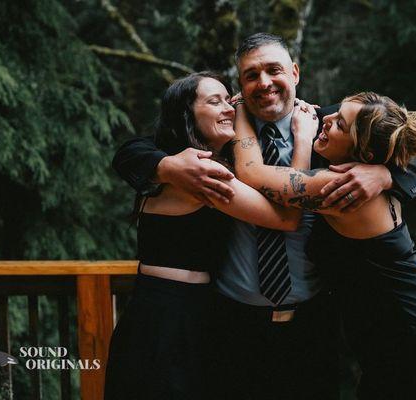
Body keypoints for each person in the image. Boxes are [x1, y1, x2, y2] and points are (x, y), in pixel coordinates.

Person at [112, 33, 416, 400]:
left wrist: (387, 174)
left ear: (295, 73)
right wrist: (166, 165)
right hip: (231, 323)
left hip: (313, 320)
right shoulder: (221, 138)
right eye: (251, 75)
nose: (263, 83)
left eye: (273, 70)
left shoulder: (332, 130)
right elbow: (130, 151)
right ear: (241, 87)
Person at [231, 91, 416, 400]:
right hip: (397, 331)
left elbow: (250, 172)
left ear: (365, 154)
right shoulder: (366, 168)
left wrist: (240, 107)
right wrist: (386, 173)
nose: (325, 120)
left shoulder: (340, 188)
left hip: (413, 331)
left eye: (340, 125)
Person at [104, 71, 309, 400]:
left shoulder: (177, 161)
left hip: (164, 307)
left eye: (230, 101)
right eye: (215, 102)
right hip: (173, 316)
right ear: (187, 114)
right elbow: (286, 218)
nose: (229, 109)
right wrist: (303, 140)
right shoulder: (202, 171)